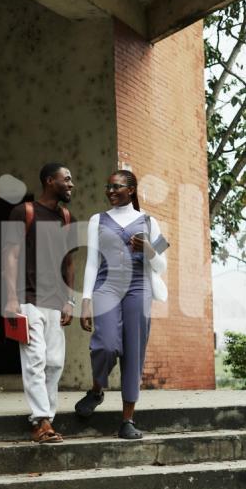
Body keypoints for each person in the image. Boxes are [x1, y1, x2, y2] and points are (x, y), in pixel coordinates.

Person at [74, 169, 168, 439]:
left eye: (117, 187)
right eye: (108, 186)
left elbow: (162, 265)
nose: (111, 191)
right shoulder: (97, 220)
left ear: (131, 190)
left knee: (133, 353)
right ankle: (96, 390)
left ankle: (127, 420)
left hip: (139, 289)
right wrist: (86, 300)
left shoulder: (150, 222)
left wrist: (148, 249)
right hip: (107, 286)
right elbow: (92, 261)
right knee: (105, 344)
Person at [4, 162, 77, 444]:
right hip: (27, 298)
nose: (71, 184)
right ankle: (40, 421)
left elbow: (69, 262)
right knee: (35, 360)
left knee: (55, 363)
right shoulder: (24, 212)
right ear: (50, 181)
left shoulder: (67, 216)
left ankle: (49, 419)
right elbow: (10, 256)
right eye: (66, 179)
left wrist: (69, 300)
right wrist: (11, 297)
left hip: (56, 301)